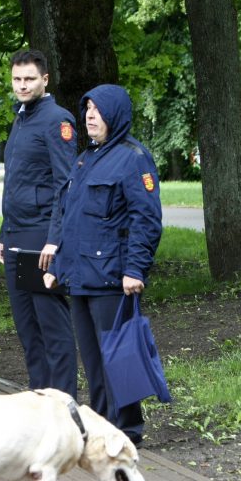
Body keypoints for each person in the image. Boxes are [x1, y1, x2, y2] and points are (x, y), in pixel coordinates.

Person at [44, 84, 163, 447]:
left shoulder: (133, 158)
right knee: (93, 359)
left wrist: (135, 270)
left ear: (116, 115)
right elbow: (69, 217)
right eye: (88, 109)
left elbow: (147, 219)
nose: (90, 116)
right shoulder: (84, 159)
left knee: (119, 355)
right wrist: (57, 266)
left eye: (98, 110)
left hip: (112, 276)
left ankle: (127, 429)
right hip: (79, 277)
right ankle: (101, 423)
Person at [0, 49, 78, 397]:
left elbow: (66, 185)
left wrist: (53, 241)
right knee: (28, 332)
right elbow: (15, 181)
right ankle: (38, 407)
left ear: (45, 79)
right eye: (17, 79)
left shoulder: (57, 120)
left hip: (40, 239)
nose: (22, 85)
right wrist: (3, 233)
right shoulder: (21, 118)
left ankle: (64, 410)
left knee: (53, 332)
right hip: (16, 236)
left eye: (29, 79)